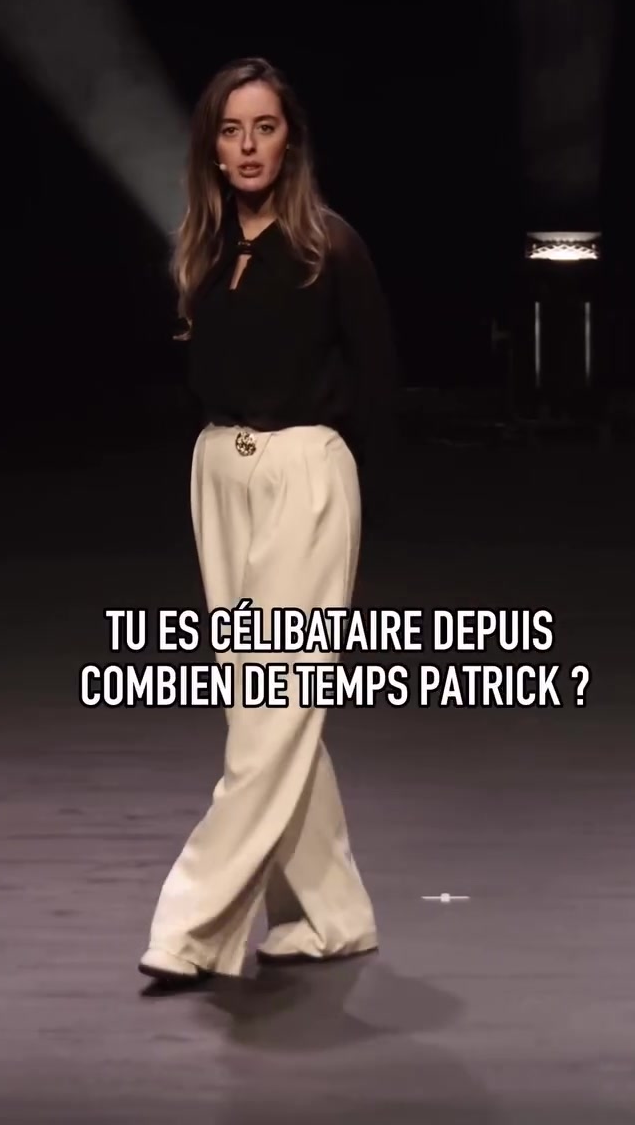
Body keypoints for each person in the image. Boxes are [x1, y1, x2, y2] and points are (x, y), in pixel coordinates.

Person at [138, 55, 400, 985]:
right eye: (231, 129)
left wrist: (344, 503)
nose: (248, 146)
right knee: (268, 709)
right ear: (211, 147)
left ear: (291, 141)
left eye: (265, 127)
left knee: (271, 705)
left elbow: (377, 385)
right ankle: (332, 916)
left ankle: (192, 927)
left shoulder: (331, 245)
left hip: (304, 473)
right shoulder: (204, 250)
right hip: (220, 471)